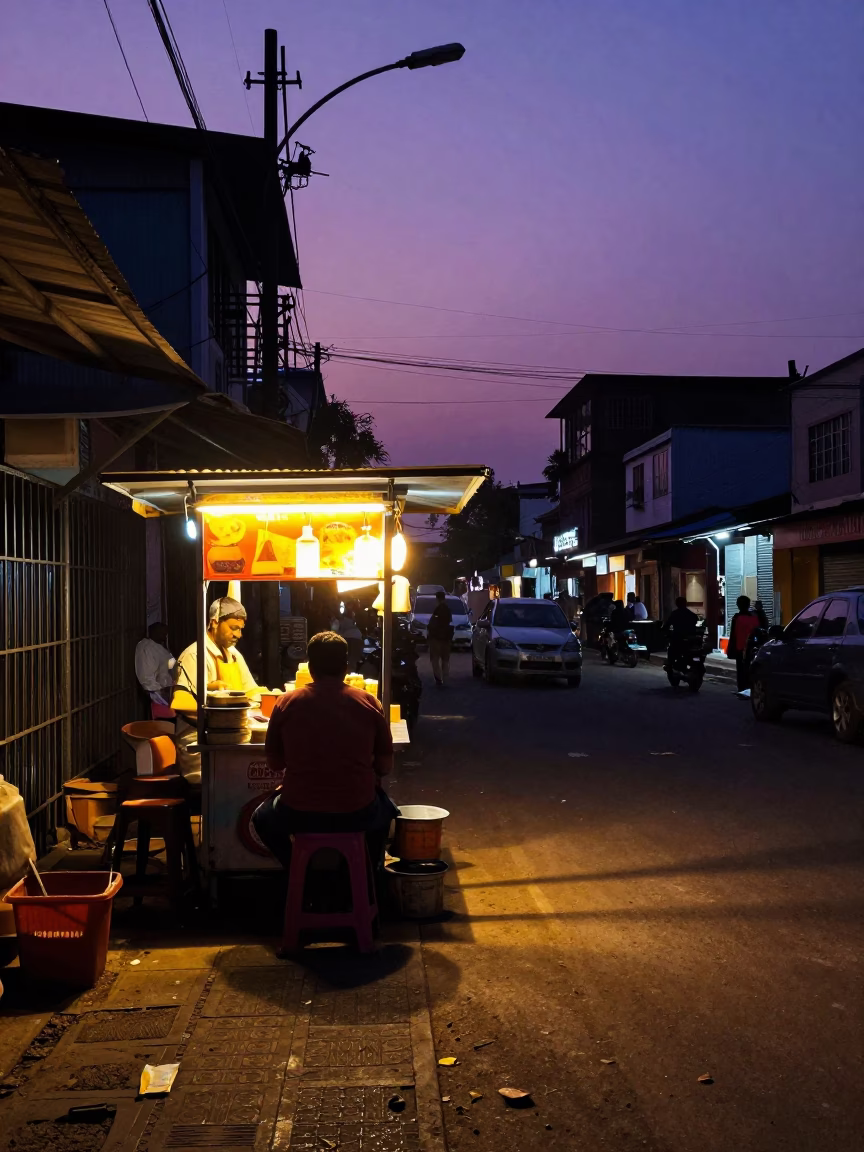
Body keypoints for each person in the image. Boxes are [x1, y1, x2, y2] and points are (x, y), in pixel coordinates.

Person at [252, 630, 397, 877]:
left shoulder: (286, 702)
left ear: (309, 667)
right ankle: (368, 876)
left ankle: (300, 873)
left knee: (261, 818)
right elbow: (384, 767)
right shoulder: (368, 702)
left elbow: (275, 764)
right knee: (387, 813)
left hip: (299, 812)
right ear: (346, 666)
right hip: (357, 811)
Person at [172, 596, 264, 785]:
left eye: (240, 629)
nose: (238, 635)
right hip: (201, 747)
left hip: (232, 740)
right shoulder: (195, 655)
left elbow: (253, 692)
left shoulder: (233, 654)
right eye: (233, 628)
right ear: (214, 623)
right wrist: (220, 708)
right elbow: (179, 702)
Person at [134, 623, 175, 709]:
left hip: (167, 690)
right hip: (157, 693)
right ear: (153, 632)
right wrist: (158, 691)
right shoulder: (146, 647)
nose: (165, 636)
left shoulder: (160, 647)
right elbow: (146, 676)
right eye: (162, 633)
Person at [726, 595, 760, 693]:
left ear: (738, 605)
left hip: (740, 648)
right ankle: (751, 688)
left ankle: (742, 688)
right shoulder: (754, 618)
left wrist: (730, 649)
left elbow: (733, 635)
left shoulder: (737, 618)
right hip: (753, 648)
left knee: (741, 670)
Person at [427, 589, 454, 687]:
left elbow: (432, 623)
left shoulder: (438, 609)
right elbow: (449, 622)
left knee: (435, 659)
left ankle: (438, 678)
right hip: (446, 638)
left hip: (436, 638)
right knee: (445, 660)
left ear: (437, 599)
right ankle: (445, 679)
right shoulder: (447, 609)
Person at [334, 599, 364, 672]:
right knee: (352, 660)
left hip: (349, 638)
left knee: (348, 660)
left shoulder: (343, 617)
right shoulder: (354, 615)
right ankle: (350, 674)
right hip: (356, 638)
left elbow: (337, 630)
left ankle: (349, 675)